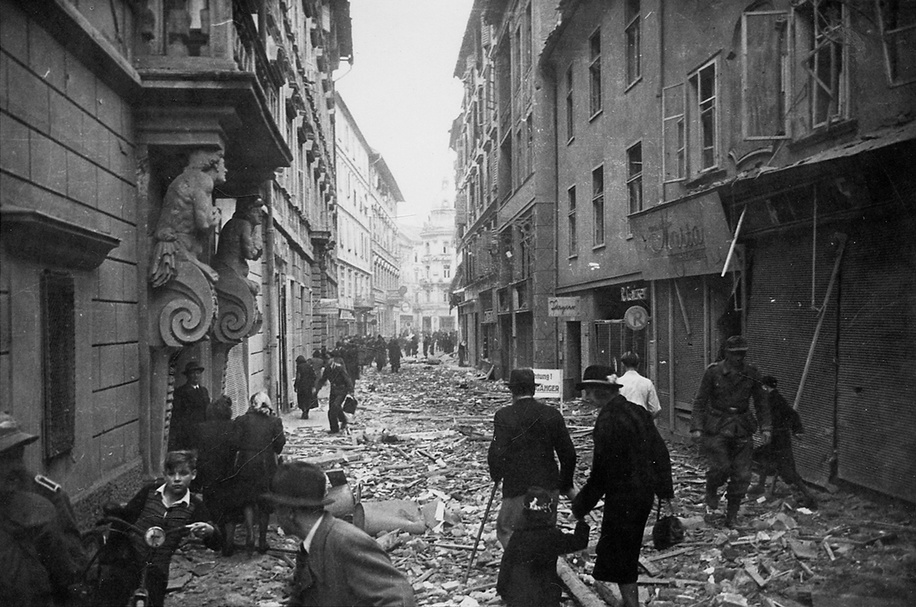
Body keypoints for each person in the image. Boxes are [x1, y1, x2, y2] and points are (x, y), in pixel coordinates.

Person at [571, 365, 675, 607]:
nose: (586, 397)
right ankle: (630, 602)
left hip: (622, 498)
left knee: (621, 557)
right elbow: (660, 452)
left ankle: (631, 604)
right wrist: (665, 491)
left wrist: (580, 506)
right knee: (625, 553)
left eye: (589, 391)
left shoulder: (607, 420)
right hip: (643, 495)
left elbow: (601, 474)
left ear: (600, 391)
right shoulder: (638, 412)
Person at [263, 461, 416, 606]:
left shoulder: (345, 541)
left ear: (290, 512)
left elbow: (399, 597)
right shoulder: (311, 545)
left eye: (275, 509)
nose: (275, 516)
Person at [96, 450, 220, 607]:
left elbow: (216, 542)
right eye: (171, 474)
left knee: (154, 600)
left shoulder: (195, 506)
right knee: (111, 596)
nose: (176, 479)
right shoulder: (149, 492)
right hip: (130, 558)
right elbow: (124, 519)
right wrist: (111, 554)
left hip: (157, 567)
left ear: (193, 474)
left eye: (183, 474)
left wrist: (209, 530)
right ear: (164, 474)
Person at [0, 412, 86, 607]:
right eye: (5, 458)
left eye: (18, 455)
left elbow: (72, 568)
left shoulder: (46, 496)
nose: (15, 466)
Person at [488, 368, 577, 548]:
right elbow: (568, 453)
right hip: (548, 487)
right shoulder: (552, 414)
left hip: (516, 487)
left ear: (511, 390)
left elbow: (497, 451)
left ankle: (518, 569)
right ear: (533, 390)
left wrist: (496, 474)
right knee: (543, 532)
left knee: (508, 531)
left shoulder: (504, 416)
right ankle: (542, 570)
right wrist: (565, 484)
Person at [690, 335, 772, 528]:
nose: (739, 357)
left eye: (742, 353)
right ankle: (712, 490)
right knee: (721, 468)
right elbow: (700, 401)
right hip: (717, 426)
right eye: (735, 354)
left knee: (743, 475)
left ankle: (731, 516)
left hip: (742, 426)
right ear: (726, 353)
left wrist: (766, 427)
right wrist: (696, 427)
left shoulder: (752, 373)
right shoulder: (713, 372)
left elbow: (761, 403)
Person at [497, 486, 589, 607]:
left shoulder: (518, 536)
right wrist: (581, 520)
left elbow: (506, 565)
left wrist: (504, 592)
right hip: (545, 598)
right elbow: (579, 542)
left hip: (520, 599)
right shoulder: (552, 536)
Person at [229, 392, 286, 554]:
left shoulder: (241, 420)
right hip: (266, 464)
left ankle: (250, 535)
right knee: (264, 503)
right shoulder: (274, 421)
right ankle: (262, 540)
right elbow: (279, 444)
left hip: (245, 463)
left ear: (251, 404)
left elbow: (235, 442)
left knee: (247, 500)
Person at [748, 376, 817, 508]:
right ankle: (761, 486)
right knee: (763, 459)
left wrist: (797, 429)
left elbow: (792, 414)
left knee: (786, 469)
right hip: (773, 438)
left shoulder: (775, 399)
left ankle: (809, 496)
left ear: (765, 387)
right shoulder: (771, 398)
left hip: (779, 440)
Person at [188, 396, 240, 553]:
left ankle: (218, 539)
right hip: (229, 473)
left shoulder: (202, 428)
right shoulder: (233, 426)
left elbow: (197, 452)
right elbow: (237, 448)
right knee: (230, 509)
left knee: (213, 507)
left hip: (209, 474)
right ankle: (229, 542)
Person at [169, 360, 210, 450]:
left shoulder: (204, 391)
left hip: (203, 431)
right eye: (192, 373)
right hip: (189, 433)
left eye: (198, 373)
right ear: (187, 376)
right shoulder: (181, 392)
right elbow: (179, 415)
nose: (196, 376)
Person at [314, 354, 354, 434]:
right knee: (331, 410)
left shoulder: (339, 368)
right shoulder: (328, 369)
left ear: (332, 360)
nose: (327, 363)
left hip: (342, 390)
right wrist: (316, 389)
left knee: (335, 407)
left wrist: (351, 391)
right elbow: (323, 379)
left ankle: (342, 421)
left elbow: (347, 378)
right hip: (333, 391)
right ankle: (335, 428)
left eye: (328, 360)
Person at [617, 351, 661, 418]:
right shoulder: (647, 383)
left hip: (621, 421)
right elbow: (656, 409)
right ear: (638, 364)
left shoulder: (617, 382)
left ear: (623, 365)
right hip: (641, 420)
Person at [294, 354, 317, 419]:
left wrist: (296, 386)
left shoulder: (299, 367)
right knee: (308, 399)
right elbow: (314, 376)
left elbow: (298, 377)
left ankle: (303, 411)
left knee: (301, 399)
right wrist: (312, 384)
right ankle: (306, 411)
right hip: (309, 386)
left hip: (301, 386)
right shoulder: (309, 366)